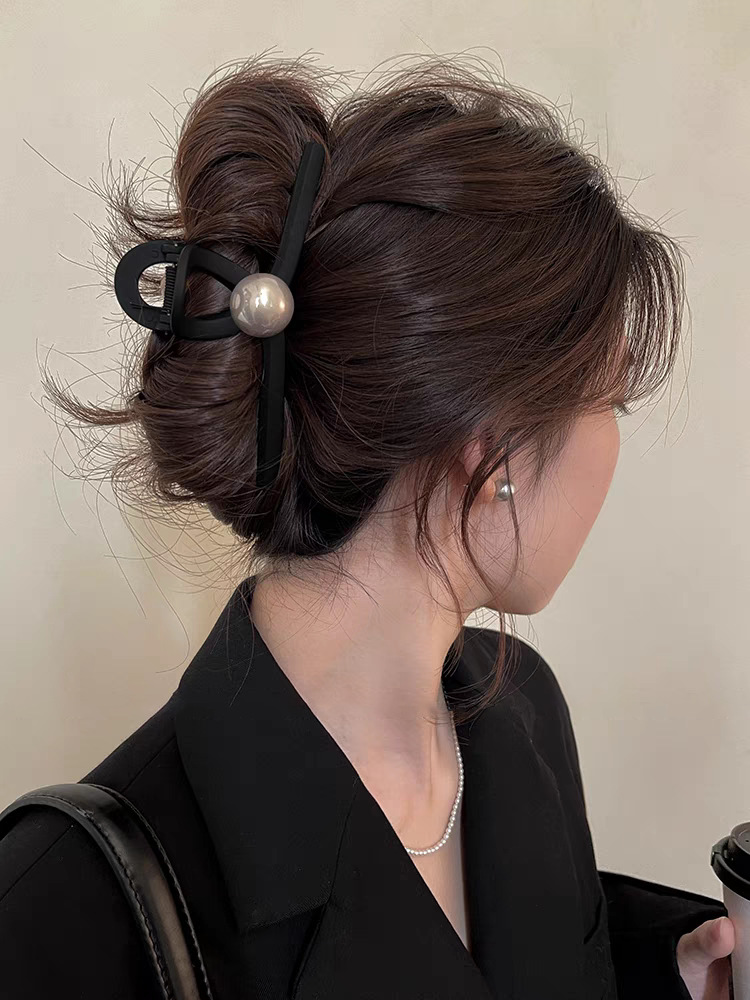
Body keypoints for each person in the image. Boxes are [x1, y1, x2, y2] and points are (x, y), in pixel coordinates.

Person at [0, 52, 734, 999]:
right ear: (494, 451)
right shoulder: (60, 908)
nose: (614, 447)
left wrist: (670, 978)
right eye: (611, 401)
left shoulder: (519, 714)